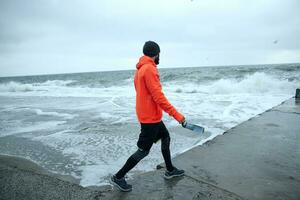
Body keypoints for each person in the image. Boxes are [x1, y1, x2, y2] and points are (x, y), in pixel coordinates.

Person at [111, 41, 186, 192]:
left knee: (165, 137)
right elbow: (159, 97)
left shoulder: (139, 70)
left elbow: (141, 91)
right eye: (159, 54)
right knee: (143, 151)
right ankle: (118, 177)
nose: (159, 57)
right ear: (156, 53)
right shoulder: (150, 69)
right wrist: (177, 115)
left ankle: (170, 170)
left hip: (149, 115)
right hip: (150, 118)